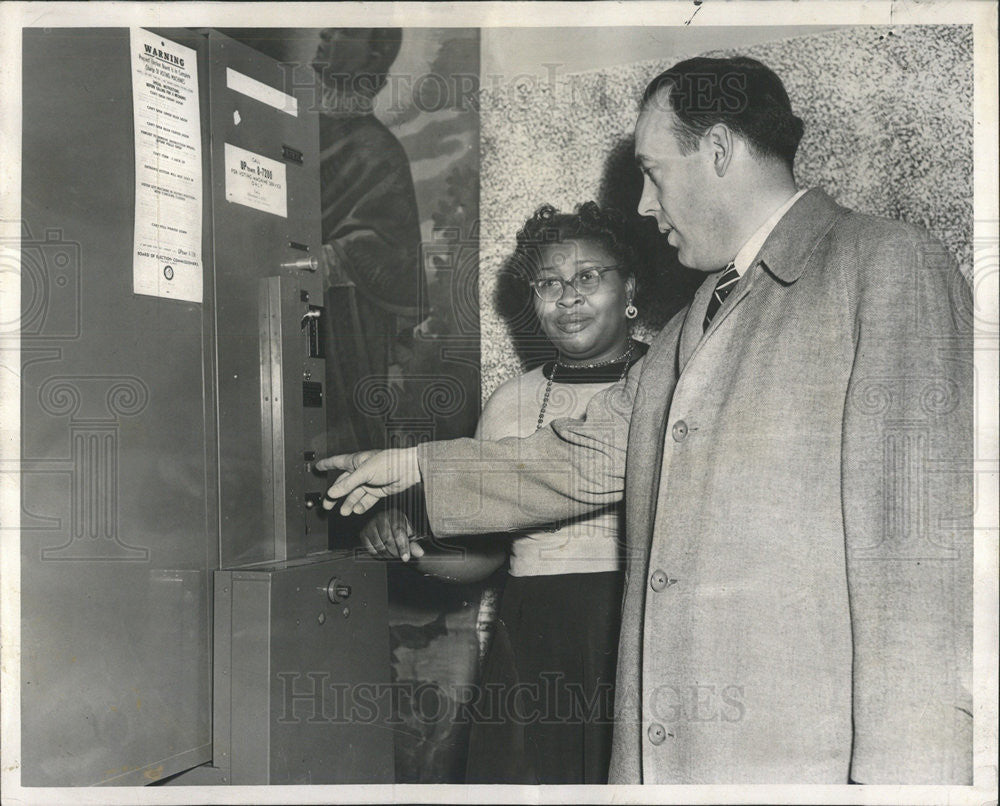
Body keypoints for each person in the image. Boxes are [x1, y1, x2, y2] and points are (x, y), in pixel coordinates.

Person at [318, 56, 973, 784]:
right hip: (675, 750)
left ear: (718, 150)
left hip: (798, 759)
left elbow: (915, 564)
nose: (642, 204)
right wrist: (414, 466)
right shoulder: (698, 314)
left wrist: (912, 783)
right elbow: (586, 455)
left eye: (653, 171)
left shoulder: (885, 266)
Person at [360, 202, 649, 784]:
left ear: (630, 288)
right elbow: (485, 554)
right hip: (532, 631)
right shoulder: (512, 401)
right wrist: (411, 541)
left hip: (634, 627)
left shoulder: (668, 381)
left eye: (588, 277)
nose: (568, 297)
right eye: (549, 283)